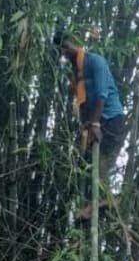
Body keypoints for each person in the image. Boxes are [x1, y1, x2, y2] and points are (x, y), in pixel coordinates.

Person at [53, 31, 127, 218]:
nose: (66, 54)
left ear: (74, 44)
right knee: (86, 164)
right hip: (94, 123)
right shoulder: (77, 74)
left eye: (67, 48)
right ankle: (95, 205)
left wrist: (94, 123)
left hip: (111, 119)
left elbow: (102, 95)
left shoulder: (96, 62)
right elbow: (82, 103)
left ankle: (106, 203)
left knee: (100, 164)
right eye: (62, 51)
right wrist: (85, 126)